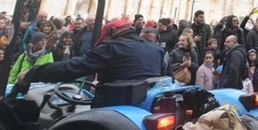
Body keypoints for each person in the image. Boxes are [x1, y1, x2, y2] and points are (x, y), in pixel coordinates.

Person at [17, 18, 166, 89]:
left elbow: (74, 67)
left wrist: (34, 73)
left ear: (112, 33)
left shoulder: (112, 48)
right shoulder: (158, 50)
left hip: (112, 103)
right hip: (146, 104)